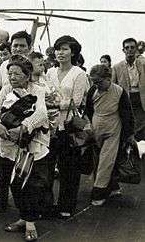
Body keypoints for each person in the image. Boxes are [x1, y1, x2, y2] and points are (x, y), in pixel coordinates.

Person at [0, 55, 50, 241]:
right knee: (14, 183)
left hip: (30, 144)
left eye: (17, 73)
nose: (12, 77)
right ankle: (24, 217)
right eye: (10, 73)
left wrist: (23, 127)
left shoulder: (37, 90)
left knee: (29, 184)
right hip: (8, 144)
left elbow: (41, 113)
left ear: (27, 75)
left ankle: (30, 222)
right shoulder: (6, 89)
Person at [46, 35, 89, 218]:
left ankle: (66, 206)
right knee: (47, 168)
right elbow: (44, 94)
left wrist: (54, 104)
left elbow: (77, 102)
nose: (60, 53)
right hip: (49, 126)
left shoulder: (78, 74)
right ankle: (46, 205)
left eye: (64, 49)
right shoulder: (50, 72)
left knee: (69, 169)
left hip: (68, 126)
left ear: (73, 52)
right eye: (58, 49)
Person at [85, 64, 135, 205]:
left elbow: (127, 114)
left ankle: (98, 194)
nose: (97, 85)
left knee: (106, 162)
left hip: (113, 130)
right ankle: (113, 187)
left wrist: (129, 134)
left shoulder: (119, 92)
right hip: (96, 131)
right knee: (98, 161)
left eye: (99, 82)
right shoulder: (92, 90)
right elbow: (89, 110)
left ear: (109, 78)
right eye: (94, 82)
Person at [112, 38, 145, 141]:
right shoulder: (117, 67)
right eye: (127, 48)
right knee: (127, 127)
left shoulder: (143, 65)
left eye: (132, 47)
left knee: (141, 127)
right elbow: (113, 87)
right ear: (123, 50)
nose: (130, 50)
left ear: (136, 49)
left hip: (141, 100)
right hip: (125, 100)